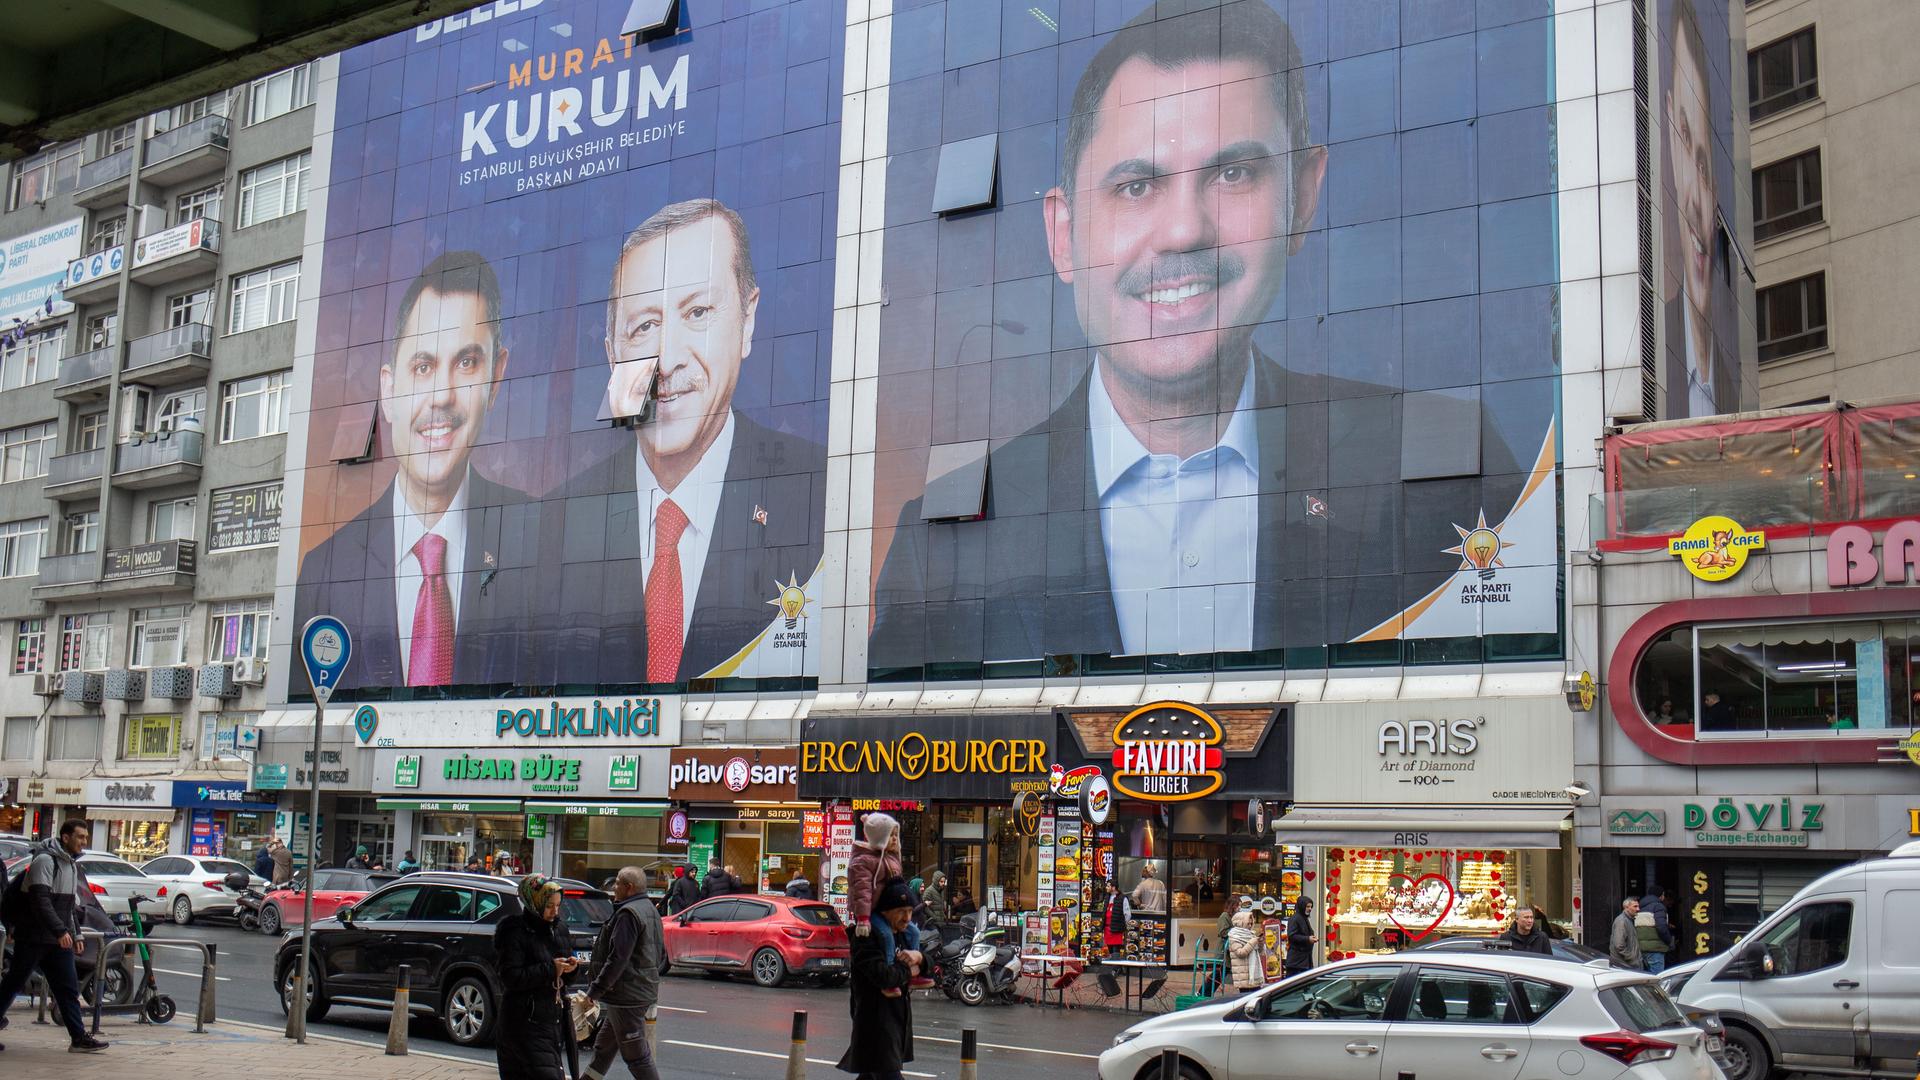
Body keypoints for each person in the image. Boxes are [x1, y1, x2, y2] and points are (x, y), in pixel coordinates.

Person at [869, 2, 1441, 667]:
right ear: (1063, 235)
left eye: (1233, 174)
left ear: (1302, 196)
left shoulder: (1429, 477)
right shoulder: (941, 541)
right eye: (1136, 186)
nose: (1183, 231)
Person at [545, 198, 826, 684]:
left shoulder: (822, 494)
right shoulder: (552, 527)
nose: (668, 359)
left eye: (698, 311)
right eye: (645, 327)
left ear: (748, 320)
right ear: (613, 356)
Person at [295, 251, 531, 689]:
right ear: (389, 389)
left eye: (466, 363)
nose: (441, 395)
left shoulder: (540, 542)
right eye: (422, 367)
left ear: (496, 380)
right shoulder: (326, 570)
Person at [1661, 0, 1734, 417]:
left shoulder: (1734, 383)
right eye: (1684, 138)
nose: (1694, 197)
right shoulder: (1654, 352)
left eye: (1704, 167)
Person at [0, 819, 110, 1053]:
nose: (84, 842)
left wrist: (76, 934)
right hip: (32, 937)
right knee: (13, 984)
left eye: (86, 837)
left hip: (56, 941)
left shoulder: (70, 864)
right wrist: (60, 931)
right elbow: (41, 902)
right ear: (66, 837)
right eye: (80, 837)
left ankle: (79, 1038)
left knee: (68, 989)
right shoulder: (44, 861)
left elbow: (68, 907)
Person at [584, 867, 664, 1080]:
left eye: (618, 883)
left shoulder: (628, 914)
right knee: (605, 1047)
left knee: (636, 1054)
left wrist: (595, 990)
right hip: (638, 990)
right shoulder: (649, 909)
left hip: (627, 994)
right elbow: (659, 952)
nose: (614, 887)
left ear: (629, 888)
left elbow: (618, 958)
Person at [836, 879, 921, 1080]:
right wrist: (908, 969)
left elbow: (927, 967)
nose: (907, 918)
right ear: (885, 911)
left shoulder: (901, 934)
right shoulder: (866, 938)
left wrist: (921, 959)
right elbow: (884, 976)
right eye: (901, 911)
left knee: (870, 1075)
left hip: (894, 1022)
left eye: (910, 911)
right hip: (875, 1024)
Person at [495, 875, 577, 1080]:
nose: (555, 911)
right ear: (535, 902)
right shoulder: (516, 932)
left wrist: (570, 969)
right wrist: (551, 969)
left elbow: (564, 979)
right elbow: (510, 977)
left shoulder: (559, 929)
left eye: (558, 906)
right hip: (523, 1023)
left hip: (552, 1021)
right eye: (549, 905)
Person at [847, 813, 929, 992]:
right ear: (879, 836)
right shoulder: (864, 861)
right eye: (890, 835)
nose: (894, 839)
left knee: (914, 932)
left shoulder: (890, 858)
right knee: (885, 935)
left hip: (890, 911)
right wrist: (863, 918)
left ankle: (913, 971)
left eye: (895, 835)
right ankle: (891, 971)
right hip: (873, 912)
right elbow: (862, 892)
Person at [1638, 887, 1676, 973]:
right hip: (1655, 949)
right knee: (1657, 978)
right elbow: (1661, 927)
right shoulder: (1658, 906)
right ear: (1661, 896)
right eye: (1663, 894)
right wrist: (1669, 941)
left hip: (1642, 948)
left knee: (1646, 978)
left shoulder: (1640, 907)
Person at [1227, 908, 1265, 991]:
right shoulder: (1234, 936)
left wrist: (1260, 943)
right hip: (1243, 977)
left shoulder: (1251, 934)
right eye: (1248, 923)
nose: (1250, 926)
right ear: (1241, 923)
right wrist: (1253, 942)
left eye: (1251, 923)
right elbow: (1241, 953)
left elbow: (1260, 952)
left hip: (1253, 974)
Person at [1611, 896, 1646, 970]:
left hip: (1628, 965)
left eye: (1638, 906)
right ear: (1626, 907)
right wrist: (1632, 958)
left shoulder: (1628, 920)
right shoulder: (1622, 921)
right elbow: (1619, 945)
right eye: (1635, 906)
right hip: (1626, 966)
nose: (1638, 909)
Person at [1283, 897, 1315, 977]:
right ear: (1302, 906)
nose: (1310, 909)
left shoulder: (1303, 918)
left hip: (1303, 962)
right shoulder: (1295, 918)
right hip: (1297, 964)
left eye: (1311, 907)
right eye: (1307, 906)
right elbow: (1292, 936)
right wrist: (1308, 939)